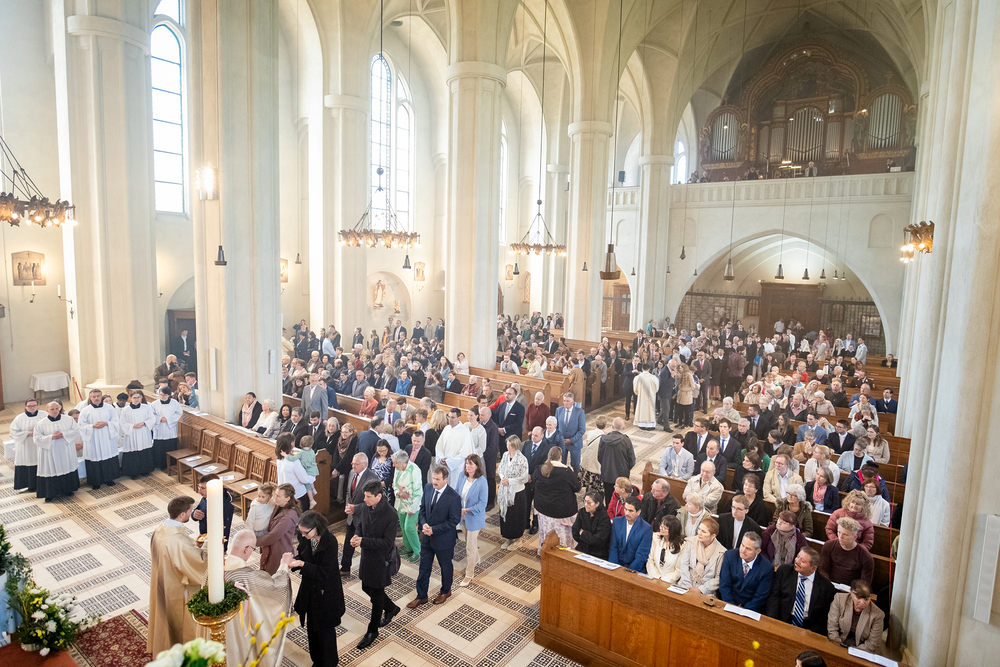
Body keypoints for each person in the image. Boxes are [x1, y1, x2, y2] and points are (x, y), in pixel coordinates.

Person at [148, 496, 207, 656]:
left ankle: (163, 647)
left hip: (162, 581)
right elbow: (198, 564)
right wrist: (208, 548)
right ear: (182, 514)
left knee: (163, 618)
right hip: (177, 588)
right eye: (190, 510)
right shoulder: (177, 541)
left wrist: (192, 547)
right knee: (180, 623)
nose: (191, 513)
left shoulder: (160, 529)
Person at [224, 530, 293, 667]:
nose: (251, 553)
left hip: (216, 631)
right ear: (246, 549)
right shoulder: (246, 577)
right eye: (253, 549)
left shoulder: (213, 569)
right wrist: (284, 565)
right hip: (238, 636)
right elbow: (276, 587)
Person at [286, 511, 345, 667]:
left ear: (316, 527)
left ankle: (329, 663)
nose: (303, 535)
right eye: (301, 532)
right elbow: (304, 556)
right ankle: (317, 661)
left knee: (325, 633)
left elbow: (325, 572)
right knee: (312, 630)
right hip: (310, 591)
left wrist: (303, 565)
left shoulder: (330, 541)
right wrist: (293, 561)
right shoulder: (306, 538)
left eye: (306, 532)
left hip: (326, 593)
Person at [351, 481, 402, 649]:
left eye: (368, 497)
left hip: (380, 561)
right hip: (367, 557)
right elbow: (360, 525)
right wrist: (356, 536)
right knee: (366, 587)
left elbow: (387, 543)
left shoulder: (391, 514)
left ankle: (372, 631)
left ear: (379, 496)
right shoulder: (367, 507)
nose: (364, 499)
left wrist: (363, 541)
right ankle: (391, 608)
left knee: (377, 595)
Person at [408, 466, 463, 608]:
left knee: (445, 567)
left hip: (444, 540)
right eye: (433, 478)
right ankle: (421, 596)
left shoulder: (453, 497)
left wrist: (434, 530)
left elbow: (454, 520)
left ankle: (446, 591)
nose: (434, 482)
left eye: (438, 479)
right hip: (427, 538)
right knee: (424, 567)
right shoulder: (428, 488)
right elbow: (422, 509)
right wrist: (424, 524)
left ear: (446, 480)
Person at [766, 547, 836, 635]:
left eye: (802, 561)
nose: (797, 561)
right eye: (798, 557)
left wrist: (811, 633)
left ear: (813, 568)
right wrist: (773, 621)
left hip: (808, 627)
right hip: (783, 620)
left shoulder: (826, 587)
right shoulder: (784, 571)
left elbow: (824, 616)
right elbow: (774, 598)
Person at [533, 446, 582, 554]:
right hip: (562, 512)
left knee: (546, 533)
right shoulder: (566, 472)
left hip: (543, 510)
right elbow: (577, 488)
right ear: (560, 457)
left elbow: (533, 483)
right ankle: (563, 555)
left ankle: (545, 552)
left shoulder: (540, 469)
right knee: (562, 538)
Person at [340, 453, 380, 575]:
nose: (353, 466)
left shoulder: (372, 478)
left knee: (366, 546)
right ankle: (345, 568)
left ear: (365, 464)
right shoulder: (352, 473)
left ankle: (367, 571)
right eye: (352, 463)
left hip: (365, 518)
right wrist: (348, 506)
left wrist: (355, 508)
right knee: (348, 543)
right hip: (352, 517)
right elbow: (348, 493)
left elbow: (373, 502)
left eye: (356, 464)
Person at [33, 401, 80, 501]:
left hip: (65, 450)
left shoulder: (68, 419)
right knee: (51, 469)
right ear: (47, 410)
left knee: (66, 467)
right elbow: (36, 438)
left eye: (57, 409)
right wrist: (51, 437)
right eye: (52, 409)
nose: (55, 411)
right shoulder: (41, 424)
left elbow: (75, 430)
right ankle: (50, 494)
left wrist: (64, 434)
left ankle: (68, 490)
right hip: (50, 452)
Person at [719, 532, 773, 612]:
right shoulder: (729, 556)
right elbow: (724, 586)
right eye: (742, 545)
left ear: (758, 551)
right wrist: (732, 607)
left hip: (751, 609)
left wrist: (744, 610)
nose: (743, 550)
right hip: (728, 604)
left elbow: (760, 597)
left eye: (748, 549)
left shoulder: (766, 568)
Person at [77, 388, 120, 489]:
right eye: (94, 396)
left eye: (98, 396)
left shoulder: (109, 408)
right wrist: (92, 426)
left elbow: (116, 421)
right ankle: (96, 482)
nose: (96, 398)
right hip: (93, 439)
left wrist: (107, 423)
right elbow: (81, 426)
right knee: (94, 459)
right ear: (90, 398)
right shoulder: (85, 410)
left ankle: (109, 479)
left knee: (108, 457)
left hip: (107, 438)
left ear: (101, 396)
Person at [455, 454, 488, 585]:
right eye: (466, 463)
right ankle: (477, 558)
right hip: (463, 516)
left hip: (474, 517)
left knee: (469, 547)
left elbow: (482, 504)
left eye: (471, 464)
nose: (467, 466)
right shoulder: (462, 476)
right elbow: (457, 492)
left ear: (477, 466)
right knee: (469, 540)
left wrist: (467, 510)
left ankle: (469, 574)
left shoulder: (482, 482)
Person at [828, 579, 884, 651]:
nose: (862, 603)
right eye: (858, 597)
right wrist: (838, 646)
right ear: (851, 592)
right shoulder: (839, 599)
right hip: (837, 643)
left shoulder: (878, 614)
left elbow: (872, 644)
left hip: (861, 650)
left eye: (866, 599)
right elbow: (832, 628)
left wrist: (855, 651)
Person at [257, 483, 301, 575]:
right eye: (275, 494)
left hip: (279, 550)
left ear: (287, 498)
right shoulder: (280, 505)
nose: (274, 498)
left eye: (278, 496)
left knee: (275, 577)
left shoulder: (289, 517)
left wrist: (254, 541)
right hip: (273, 547)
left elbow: (273, 536)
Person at [819, 517, 874, 586]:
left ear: (855, 537)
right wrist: (828, 585)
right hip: (829, 584)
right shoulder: (829, 545)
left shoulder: (865, 556)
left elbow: (864, 583)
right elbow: (822, 570)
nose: (840, 537)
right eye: (839, 532)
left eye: (845, 534)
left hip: (850, 589)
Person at [678, 517, 725, 595]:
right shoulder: (690, 542)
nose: (699, 533)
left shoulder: (721, 552)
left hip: (705, 592)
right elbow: (684, 565)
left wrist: (701, 589)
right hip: (685, 586)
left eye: (703, 531)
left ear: (713, 536)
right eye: (699, 529)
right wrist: (687, 586)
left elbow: (718, 578)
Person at [498, 435, 530, 549]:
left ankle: (518, 539)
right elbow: (500, 469)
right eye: (507, 444)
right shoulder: (505, 455)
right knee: (507, 516)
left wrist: (509, 481)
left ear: (516, 445)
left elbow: (524, 477)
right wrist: (503, 478)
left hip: (517, 492)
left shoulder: (522, 459)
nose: (508, 447)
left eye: (510, 445)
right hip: (505, 491)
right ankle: (508, 538)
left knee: (516, 516)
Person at [392, 449, 423, 563]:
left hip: (412, 504)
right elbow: (394, 485)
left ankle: (417, 550)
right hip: (400, 503)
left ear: (402, 462)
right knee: (403, 527)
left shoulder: (414, 470)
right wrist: (398, 493)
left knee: (409, 527)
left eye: (395, 463)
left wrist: (413, 508)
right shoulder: (398, 469)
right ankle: (408, 548)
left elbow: (418, 491)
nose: (393, 465)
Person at [608, 496, 652, 572]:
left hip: (634, 569)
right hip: (616, 566)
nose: (627, 513)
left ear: (638, 512)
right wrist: (614, 567)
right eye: (626, 509)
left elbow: (641, 556)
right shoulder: (617, 522)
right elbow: (613, 548)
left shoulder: (646, 529)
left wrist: (628, 572)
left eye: (631, 511)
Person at [119, 390, 157, 479]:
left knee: (144, 451)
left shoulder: (146, 408)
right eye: (134, 397)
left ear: (141, 398)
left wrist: (144, 423)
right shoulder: (125, 410)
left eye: (138, 397)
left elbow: (152, 418)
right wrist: (133, 426)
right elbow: (122, 423)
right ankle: (133, 472)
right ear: (130, 398)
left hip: (143, 432)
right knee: (133, 452)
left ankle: (145, 470)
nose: (136, 399)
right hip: (132, 434)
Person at [597, 418, 635, 505]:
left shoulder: (603, 439)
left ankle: (609, 512)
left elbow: (599, 457)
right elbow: (632, 460)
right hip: (622, 477)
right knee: (621, 500)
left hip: (607, 475)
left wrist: (606, 467)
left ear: (612, 426)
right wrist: (625, 469)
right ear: (623, 428)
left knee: (608, 499)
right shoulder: (626, 441)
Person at [191, 473, 236, 546]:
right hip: (205, 539)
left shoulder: (225, 506)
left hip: (216, 545)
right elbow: (198, 510)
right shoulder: (206, 497)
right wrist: (194, 515)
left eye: (203, 488)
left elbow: (224, 530)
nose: (199, 491)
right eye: (199, 487)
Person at [274, 433, 315, 510]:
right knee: (302, 515)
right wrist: (313, 477)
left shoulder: (279, 459)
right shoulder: (293, 462)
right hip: (297, 495)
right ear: (290, 444)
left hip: (285, 494)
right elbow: (304, 479)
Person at [437, 407, 475, 488]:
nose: (450, 420)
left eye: (453, 417)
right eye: (449, 417)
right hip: (444, 465)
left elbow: (465, 454)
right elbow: (439, 446)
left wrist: (449, 461)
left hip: (456, 467)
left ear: (459, 418)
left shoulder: (464, 432)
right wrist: (441, 458)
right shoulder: (446, 428)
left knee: (454, 487)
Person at [11, 398, 43, 492]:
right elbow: (13, 432)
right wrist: (28, 433)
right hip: (27, 445)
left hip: (40, 445)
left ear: (37, 406)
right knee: (29, 462)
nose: (32, 408)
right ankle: (30, 485)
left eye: (34, 405)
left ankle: (41, 484)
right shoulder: (20, 418)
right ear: (25, 407)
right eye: (29, 406)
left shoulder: (44, 415)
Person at [572, 492, 612, 560]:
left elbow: (598, 540)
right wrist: (590, 537)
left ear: (597, 504)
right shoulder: (581, 512)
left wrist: (583, 533)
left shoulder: (604, 518)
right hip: (582, 548)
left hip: (598, 553)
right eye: (584, 501)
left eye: (589, 503)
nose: (586, 504)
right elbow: (575, 533)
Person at [647, 515, 685, 583]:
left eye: (665, 528)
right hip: (653, 577)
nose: (661, 529)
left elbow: (678, 569)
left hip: (669, 580)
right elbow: (650, 560)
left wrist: (664, 580)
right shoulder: (656, 537)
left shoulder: (682, 545)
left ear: (673, 531)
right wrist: (655, 577)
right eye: (661, 526)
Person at [555, 393, 586, 471]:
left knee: (575, 466)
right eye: (564, 401)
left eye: (568, 401)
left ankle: (575, 478)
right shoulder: (559, 410)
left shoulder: (580, 412)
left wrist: (571, 440)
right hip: (562, 443)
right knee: (561, 465)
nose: (566, 403)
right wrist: (559, 439)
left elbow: (582, 430)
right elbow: (556, 427)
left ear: (572, 402)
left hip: (575, 444)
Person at [632, 363, 660, 429]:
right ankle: (650, 426)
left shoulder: (638, 378)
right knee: (650, 410)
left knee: (642, 410)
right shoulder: (654, 378)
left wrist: (637, 393)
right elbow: (656, 389)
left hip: (641, 397)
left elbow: (635, 389)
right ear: (649, 369)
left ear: (642, 369)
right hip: (651, 397)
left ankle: (642, 425)